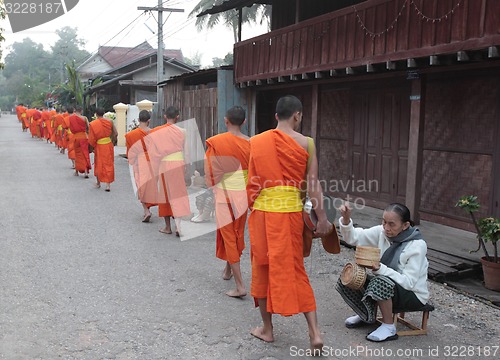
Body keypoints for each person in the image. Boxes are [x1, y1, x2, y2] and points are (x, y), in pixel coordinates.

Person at [246, 95, 332, 350]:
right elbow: (313, 184)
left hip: (263, 214)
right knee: (295, 270)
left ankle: (267, 329)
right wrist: (323, 218)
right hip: (292, 214)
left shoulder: (257, 142)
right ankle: (315, 332)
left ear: (276, 117)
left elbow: (252, 182)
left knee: (262, 269)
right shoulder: (307, 144)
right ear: (297, 115)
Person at [336, 202, 429, 342]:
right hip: (390, 285)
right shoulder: (382, 232)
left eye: (392, 224)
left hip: (412, 294)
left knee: (379, 281)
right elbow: (354, 237)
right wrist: (346, 219)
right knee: (352, 275)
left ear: (405, 225)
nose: (386, 228)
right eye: (384, 222)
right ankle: (366, 314)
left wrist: (381, 269)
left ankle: (388, 326)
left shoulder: (417, 245)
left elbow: (409, 283)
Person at [205, 106, 250, 298]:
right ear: (244, 122)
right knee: (236, 233)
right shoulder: (252, 143)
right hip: (244, 193)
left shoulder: (217, 142)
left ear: (226, 121)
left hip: (224, 193)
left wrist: (211, 189)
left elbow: (211, 170)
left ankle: (240, 286)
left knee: (229, 235)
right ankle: (228, 270)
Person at [148, 106, 191, 236]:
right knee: (178, 193)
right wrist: (187, 168)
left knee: (165, 194)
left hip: (164, 164)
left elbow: (153, 152)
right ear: (178, 116)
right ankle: (179, 226)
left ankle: (167, 227)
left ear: (165, 116)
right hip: (178, 163)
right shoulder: (183, 131)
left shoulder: (157, 131)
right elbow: (186, 152)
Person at [125, 110, 158, 223]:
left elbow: (130, 151)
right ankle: (148, 207)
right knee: (151, 185)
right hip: (153, 161)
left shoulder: (131, 135)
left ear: (138, 120)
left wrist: (132, 160)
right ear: (149, 121)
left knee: (141, 186)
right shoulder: (154, 133)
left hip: (140, 161)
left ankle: (146, 210)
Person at [88, 108, 117, 191]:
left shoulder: (93, 124)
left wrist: (92, 147)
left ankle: (98, 183)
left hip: (99, 146)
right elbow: (116, 134)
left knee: (98, 163)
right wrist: (112, 142)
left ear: (96, 114)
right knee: (108, 163)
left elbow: (91, 139)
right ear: (104, 113)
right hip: (108, 144)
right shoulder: (110, 122)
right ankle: (108, 185)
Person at [69, 106, 91, 178]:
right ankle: (85, 172)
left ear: (75, 110)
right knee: (84, 154)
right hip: (84, 137)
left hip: (76, 137)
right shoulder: (84, 118)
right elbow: (88, 127)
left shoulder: (71, 118)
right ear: (81, 111)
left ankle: (76, 171)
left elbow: (71, 128)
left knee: (77, 154)